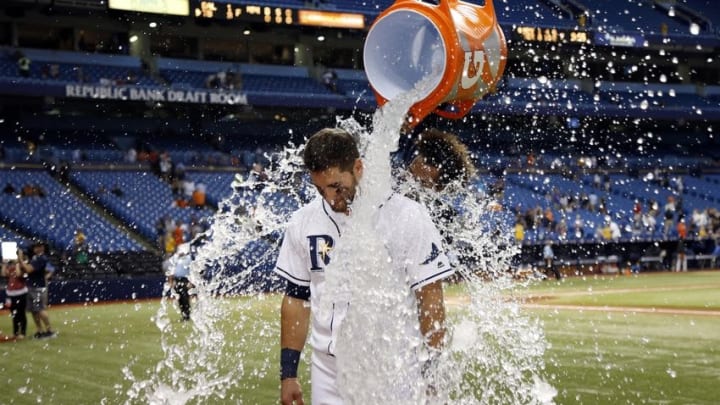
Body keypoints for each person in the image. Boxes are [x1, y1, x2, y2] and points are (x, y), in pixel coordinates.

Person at [275, 128, 454, 404]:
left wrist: (432, 376)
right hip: (329, 369)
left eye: (336, 186)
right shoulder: (303, 221)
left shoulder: (407, 216)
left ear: (358, 167)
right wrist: (288, 374)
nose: (329, 198)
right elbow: (296, 299)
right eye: (319, 189)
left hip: (393, 366)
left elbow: (430, 299)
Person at [17, 242, 57, 339]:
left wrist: (20, 259)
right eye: (35, 246)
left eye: (38, 246)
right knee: (34, 311)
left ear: (42, 248)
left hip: (38, 287)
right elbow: (24, 271)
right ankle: (39, 330)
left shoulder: (41, 258)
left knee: (40, 309)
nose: (36, 248)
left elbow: (29, 269)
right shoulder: (35, 258)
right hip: (32, 286)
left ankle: (49, 330)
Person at [1, 257, 28, 340]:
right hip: (11, 294)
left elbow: (19, 274)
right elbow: (3, 274)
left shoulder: (23, 267)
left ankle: (22, 333)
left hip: (21, 293)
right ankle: (15, 333)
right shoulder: (12, 268)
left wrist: (17, 263)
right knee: (14, 314)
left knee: (21, 313)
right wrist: (4, 264)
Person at [166, 243, 193, 321]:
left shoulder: (189, 258)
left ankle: (187, 315)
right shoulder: (176, 258)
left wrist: (190, 282)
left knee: (185, 298)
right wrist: (171, 281)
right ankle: (183, 314)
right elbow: (171, 271)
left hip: (185, 280)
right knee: (179, 298)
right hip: (177, 280)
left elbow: (191, 270)